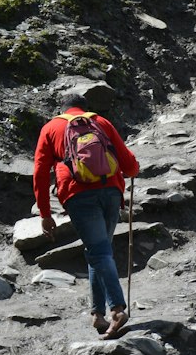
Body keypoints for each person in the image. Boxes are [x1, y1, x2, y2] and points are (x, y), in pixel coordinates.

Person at [34, 95, 140, 340]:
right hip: (112, 192)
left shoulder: (51, 128)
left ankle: (117, 309)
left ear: (60, 110)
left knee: (99, 251)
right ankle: (97, 314)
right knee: (99, 250)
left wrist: (45, 213)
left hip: (78, 194)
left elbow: (39, 173)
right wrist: (132, 170)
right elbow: (129, 164)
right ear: (83, 108)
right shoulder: (100, 122)